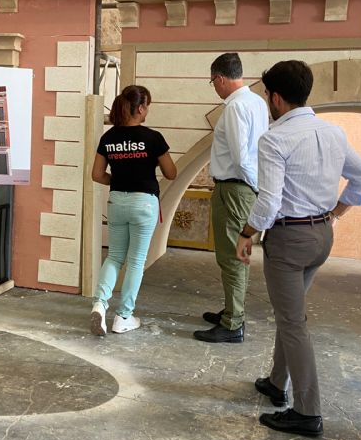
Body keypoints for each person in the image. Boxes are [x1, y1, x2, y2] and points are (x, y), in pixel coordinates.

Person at [236, 60, 361, 437]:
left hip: (288, 240)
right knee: (291, 312)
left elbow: (268, 202)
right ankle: (276, 382)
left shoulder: (275, 139)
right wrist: (337, 212)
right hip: (321, 237)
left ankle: (307, 411)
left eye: (267, 95)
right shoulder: (333, 133)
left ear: (276, 98)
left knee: (293, 323)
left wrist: (246, 232)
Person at [194, 53, 269, 344]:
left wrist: (251, 186)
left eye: (213, 81)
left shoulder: (236, 107)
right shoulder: (257, 103)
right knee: (240, 253)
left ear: (221, 78)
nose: (214, 86)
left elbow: (240, 157)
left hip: (236, 187)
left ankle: (233, 322)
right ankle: (233, 309)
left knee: (232, 256)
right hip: (244, 186)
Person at [90, 85, 177, 336]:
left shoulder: (109, 138)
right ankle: (124, 316)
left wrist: (118, 181)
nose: (147, 110)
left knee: (115, 256)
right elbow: (171, 173)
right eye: (147, 105)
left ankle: (100, 303)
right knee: (136, 261)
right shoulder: (153, 138)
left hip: (117, 201)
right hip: (144, 203)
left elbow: (96, 174)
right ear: (140, 108)